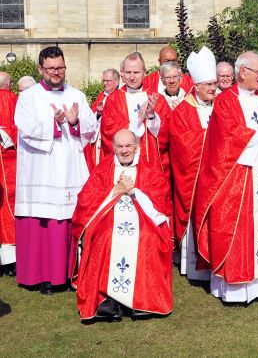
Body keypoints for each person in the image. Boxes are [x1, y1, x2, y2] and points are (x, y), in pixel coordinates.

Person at [195, 51, 258, 306]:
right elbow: (228, 135)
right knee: (240, 229)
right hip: (239, 180)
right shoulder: (225, 101)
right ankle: (239, 289)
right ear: (243, 72)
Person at [14, 46, 96, 295]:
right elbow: (25, 128)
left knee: (70, 218)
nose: (56, 73)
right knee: (44, 220)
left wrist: (74, 122)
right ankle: (43, 277)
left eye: (60, 67)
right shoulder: (28, 97)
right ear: (40, 69)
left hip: (70, 167)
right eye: (50, 68)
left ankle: (71, 272)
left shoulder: (77, 95)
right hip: (41, 169)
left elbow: (91, 128)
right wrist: (54, 123)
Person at [71, 129, 172, 321]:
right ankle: (107, 300)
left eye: (128, 146)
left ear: (137, 147)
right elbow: (86, 202)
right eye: (119, 146)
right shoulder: (103, 170)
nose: (124, 150)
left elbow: (162, 203)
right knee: (105, 237)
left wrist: (134, 191)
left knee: (147, 238)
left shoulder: (149, 170)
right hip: (109, 219)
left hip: (143, 219)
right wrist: (114, 191)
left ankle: (142, 300)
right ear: (113, 147)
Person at [170, 47, 217, 280]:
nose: (212, 88)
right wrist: (211, 139)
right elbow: (182, 146)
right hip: (196, 177)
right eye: (208, 84)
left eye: (214, 84)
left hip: (218, 176)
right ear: (196, 86)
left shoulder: (222, 105)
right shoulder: (182, 111)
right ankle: (195, 267)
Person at [100, 52, 171, 176]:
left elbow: (167, 134)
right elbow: (107, 133)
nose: (132, 77)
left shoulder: (156, 98)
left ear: (144, 72)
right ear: (122, 72)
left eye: (136, 72)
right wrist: (137, 120)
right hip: (123, 166)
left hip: (150, 163)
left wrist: (151, 116)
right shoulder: (113, 100)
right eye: (128, 72)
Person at [0, 72, 17, 276]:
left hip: (8, 159)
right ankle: (10, 262)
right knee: (9, 206)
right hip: (11, 160)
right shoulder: (15, 100)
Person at [85, 69, 120, 169]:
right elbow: (91, 116)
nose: (105, 83)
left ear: (116, 82)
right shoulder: (101, 96)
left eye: (108, 81)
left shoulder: (120, 96)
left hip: (111, 139)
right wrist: (99, 113)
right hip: (98, 138)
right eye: (103, 81)